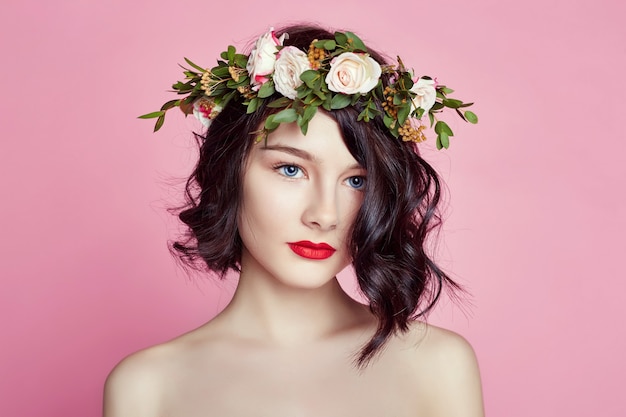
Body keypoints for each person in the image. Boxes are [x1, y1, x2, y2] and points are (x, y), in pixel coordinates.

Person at [104, 24, 484, 417]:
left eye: (356, 181)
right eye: (290, 169)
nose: (324, 215)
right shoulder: (147, 388)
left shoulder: (438, 365)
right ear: (228, 171)